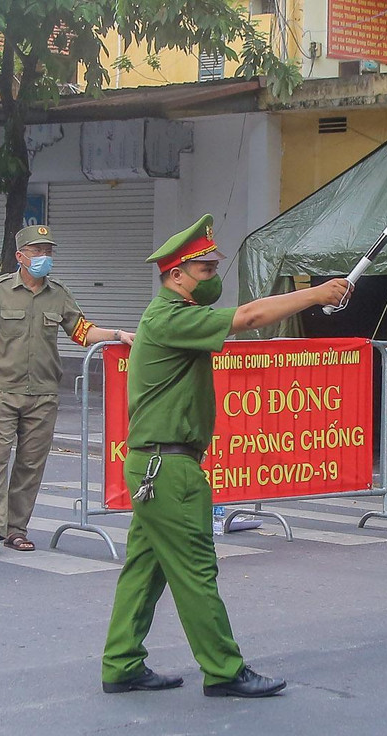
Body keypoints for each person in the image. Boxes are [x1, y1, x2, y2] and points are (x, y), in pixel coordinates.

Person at [101, 215, 351, 698]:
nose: (214, 276)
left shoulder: (173, 318)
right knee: (195, 569)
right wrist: (315, 295)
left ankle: (121, 661)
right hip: (166, 467)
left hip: (158, 464)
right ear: (176, 275)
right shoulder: (169, 317)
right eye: (205, 270)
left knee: (146, 568)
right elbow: (251, 317)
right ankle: (223, 669)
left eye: (215, 267)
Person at [0, 226, 132, 552]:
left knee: (31, 464)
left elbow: (82, 331)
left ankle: (16, 529)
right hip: (3, 390)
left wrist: (117, 334)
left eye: (48, 251)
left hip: (43, 394)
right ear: (20, 256)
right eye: (37, 251)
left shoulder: (58, 293)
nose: (44, 257)